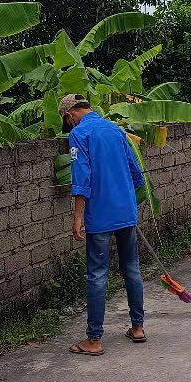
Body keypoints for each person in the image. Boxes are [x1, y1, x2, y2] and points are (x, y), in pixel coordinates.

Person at [62, 94, 146, 355]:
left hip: (100, 215)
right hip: (126, 212)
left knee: (98, 274)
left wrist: (77, 216)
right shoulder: (116, 130)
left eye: (68, 121)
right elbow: (136, 172)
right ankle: (138, 327)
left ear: (70, 115)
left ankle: (94, 339)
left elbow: (81, 178)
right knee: (131, 268)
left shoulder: (79, 134)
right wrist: (127, 201)